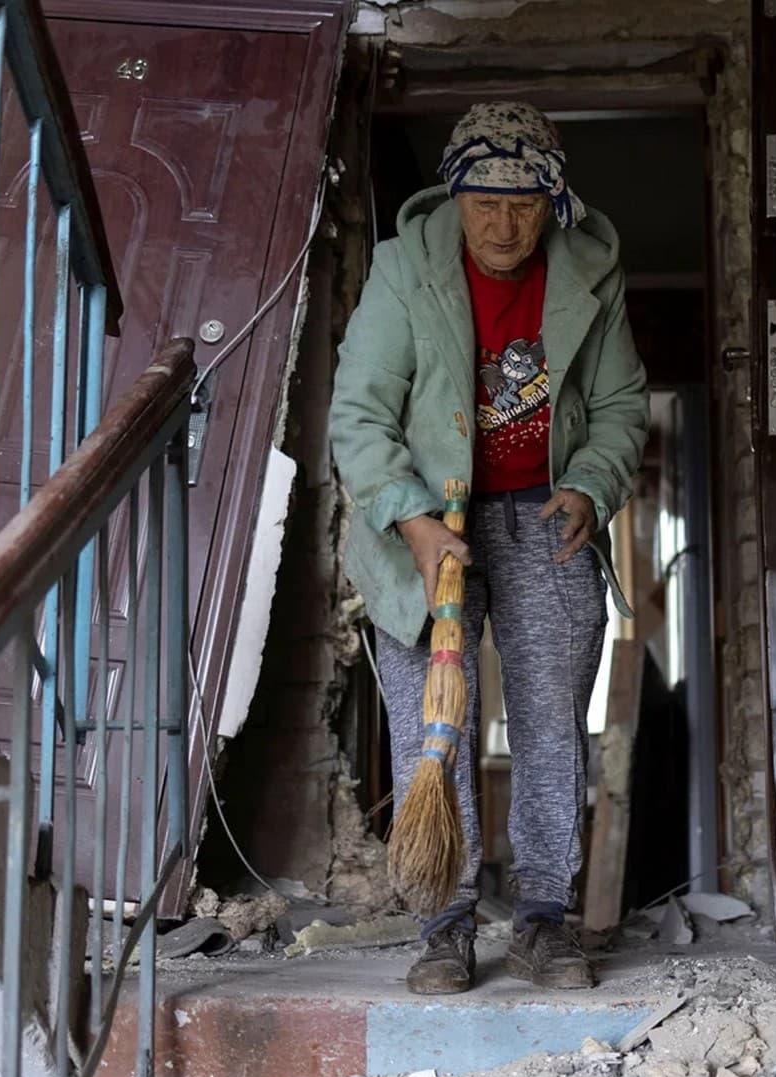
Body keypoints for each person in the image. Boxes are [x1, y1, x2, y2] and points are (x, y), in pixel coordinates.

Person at [329, 101, 651, 994]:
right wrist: (413, 521)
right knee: (434, 722)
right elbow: (359, 415)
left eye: (523, 207)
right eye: (484, 205)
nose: (503, 227)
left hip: (545, 515)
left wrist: (591, 484)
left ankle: (546, 920)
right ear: (454, 196)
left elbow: (621, 406)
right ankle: (444, 926)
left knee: (552, 718)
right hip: (428, 521)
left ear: (552, 203)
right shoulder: (403, 270)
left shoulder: (590, 271)